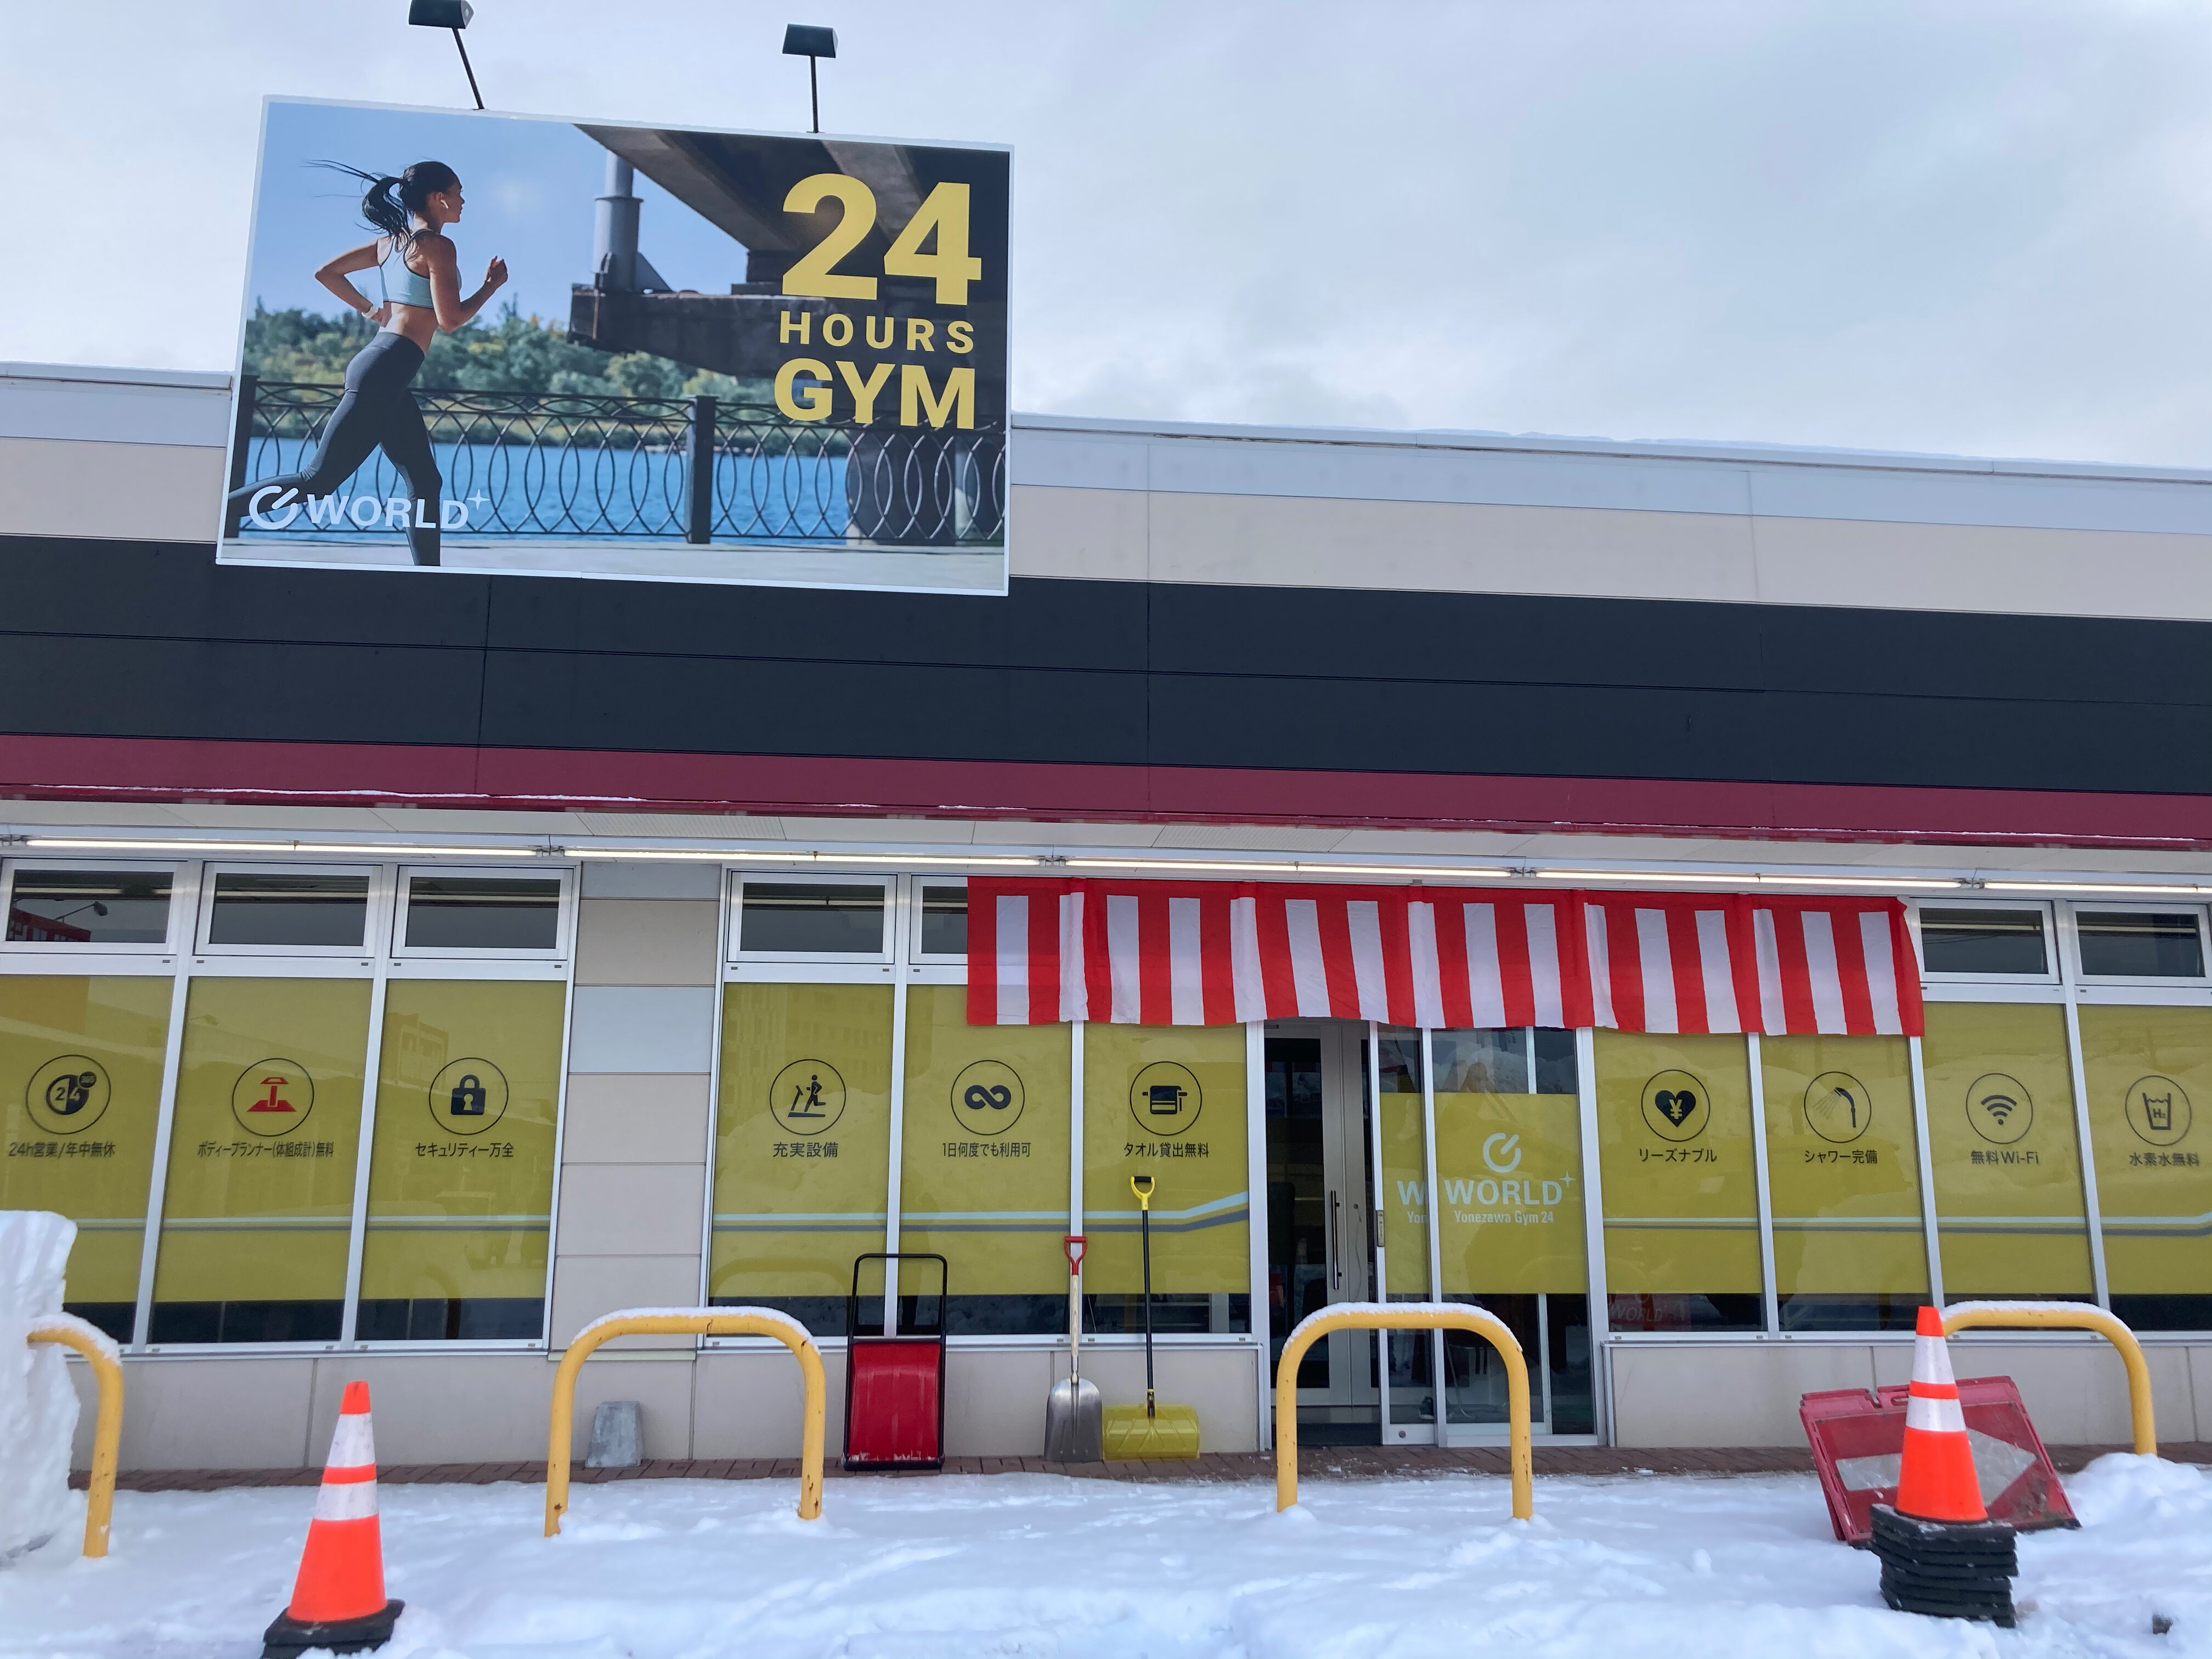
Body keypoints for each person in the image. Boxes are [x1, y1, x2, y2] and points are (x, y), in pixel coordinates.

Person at [228, 161, 506, 566]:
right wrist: (490, 287)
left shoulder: (391, 243)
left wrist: (373, 311)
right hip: (386, 368)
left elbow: (327, 273)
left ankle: (429, 576)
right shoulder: (436, 246)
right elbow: (450, 321)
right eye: (459, 191)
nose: (464, 200)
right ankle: (208, 518)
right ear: (438, 198)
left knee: (426, 481)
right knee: (316, 481)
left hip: (385, 366)